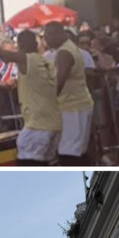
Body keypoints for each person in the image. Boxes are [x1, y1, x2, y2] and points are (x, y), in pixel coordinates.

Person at [0, 30, 62, 165]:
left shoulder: (27, 59)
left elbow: (0, 53)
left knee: (28, 167)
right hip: (54, 124)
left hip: (37, 127)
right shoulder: (45, 61)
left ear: (21, 46)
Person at [45, 22, 95, 163]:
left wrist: (46, 102)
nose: (46, 39)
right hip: (72, 107)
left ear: (60, 34)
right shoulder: (65, 49)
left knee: (70, 152)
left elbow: (59, 81)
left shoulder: (65, 53)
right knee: (76, 150)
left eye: (49, 34)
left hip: (74, 108)